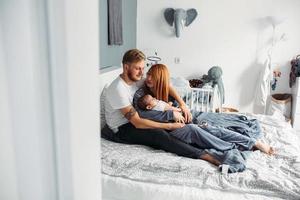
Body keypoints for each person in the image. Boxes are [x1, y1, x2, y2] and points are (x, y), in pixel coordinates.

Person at [104, 49, 221, 166]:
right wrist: (169, 125)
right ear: (126, 67)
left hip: (137, 117)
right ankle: (203, 155)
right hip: (122, 129)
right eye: (137, 68)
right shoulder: (117, 89)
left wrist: (182, 104)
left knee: (176, 124)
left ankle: (203, 140)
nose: (141, 73)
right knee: (159, 134)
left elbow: (166, 84)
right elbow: (138, 123)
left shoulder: (135, 80)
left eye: (143, 68)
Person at [133, 64, 275, 156]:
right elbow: (145, 115)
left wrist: (182, 105)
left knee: (214, 128)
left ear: (161, 80)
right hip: (174, 126)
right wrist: (171, 113)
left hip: (185, 119)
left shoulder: (164, 89)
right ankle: (240, 146)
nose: (148, 78)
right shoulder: (142, 95)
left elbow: (170, 89)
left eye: (152, 76)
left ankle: (252, 142)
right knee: (205, 130)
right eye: (148, 74)